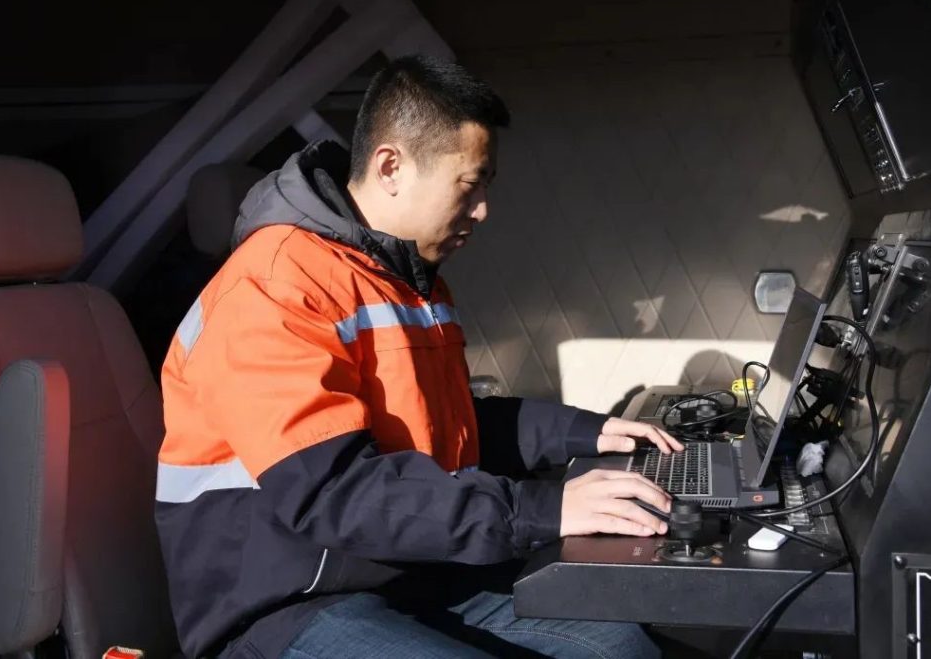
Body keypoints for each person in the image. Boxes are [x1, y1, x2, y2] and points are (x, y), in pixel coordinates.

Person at [155, 55, 683, 659]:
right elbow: (335, 491)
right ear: (391, 167)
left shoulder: (407, 280)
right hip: (290, 600)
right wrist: (543, 509)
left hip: (406, 568)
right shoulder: (275, 284)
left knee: (620, 645)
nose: (483, 209)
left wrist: (589, 433)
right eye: (470, 184)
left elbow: (448, 426)